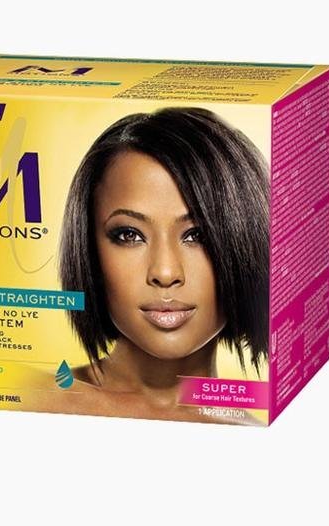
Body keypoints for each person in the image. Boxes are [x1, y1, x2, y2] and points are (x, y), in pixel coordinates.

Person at [56, 107, 270, 425]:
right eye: (129, 234)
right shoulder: (26, 397)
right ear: (88, 248)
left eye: (197, 235)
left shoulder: (256, 435)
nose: (165, 273)